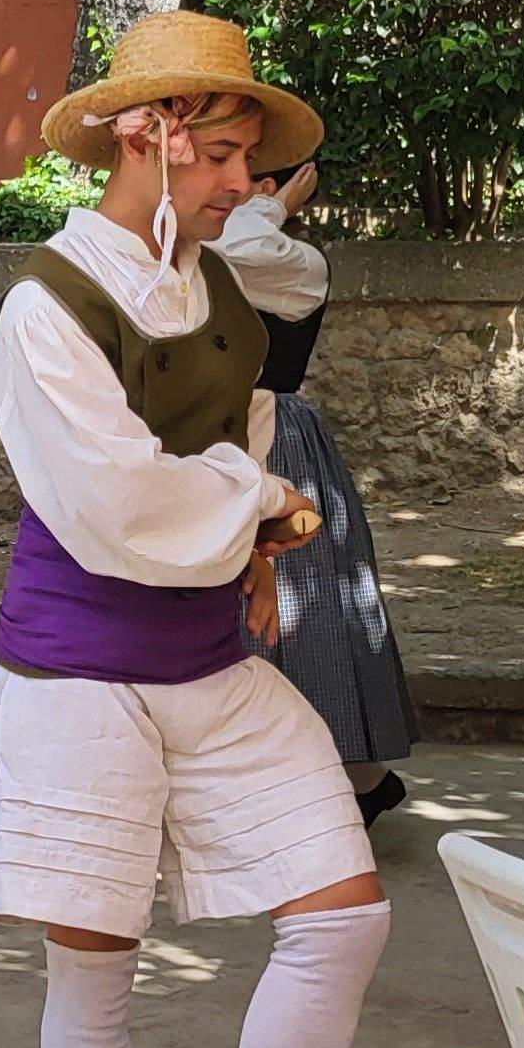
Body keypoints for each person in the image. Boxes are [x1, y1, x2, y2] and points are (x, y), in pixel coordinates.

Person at [0, 11, 390, 1048]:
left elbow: (237, 425)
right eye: (220, 158)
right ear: (142, 138)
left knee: (345, 911)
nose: (239, 189)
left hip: (208, 661)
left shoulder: (218, 286)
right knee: (94, 974)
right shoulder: (46, 304)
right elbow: (110, 500)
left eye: (246, 163)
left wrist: (256, 545)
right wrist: (263, 507)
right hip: (77, 672)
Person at [212, 164, 419, 822]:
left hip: (281, 443)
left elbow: (240, 250)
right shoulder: (212, 244)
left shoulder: (296, 262)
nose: (228, 182)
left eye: (246, 173)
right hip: (221, 438)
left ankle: (338, 781)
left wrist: (272, 207)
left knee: (306, 619)